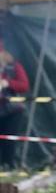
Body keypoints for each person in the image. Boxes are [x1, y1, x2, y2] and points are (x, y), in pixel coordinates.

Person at [0, 35, 32, 168]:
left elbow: (24, 85)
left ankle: (7, 167)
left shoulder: (14, 66)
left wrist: (7, 83)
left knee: (8, 141)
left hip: (11, 111)